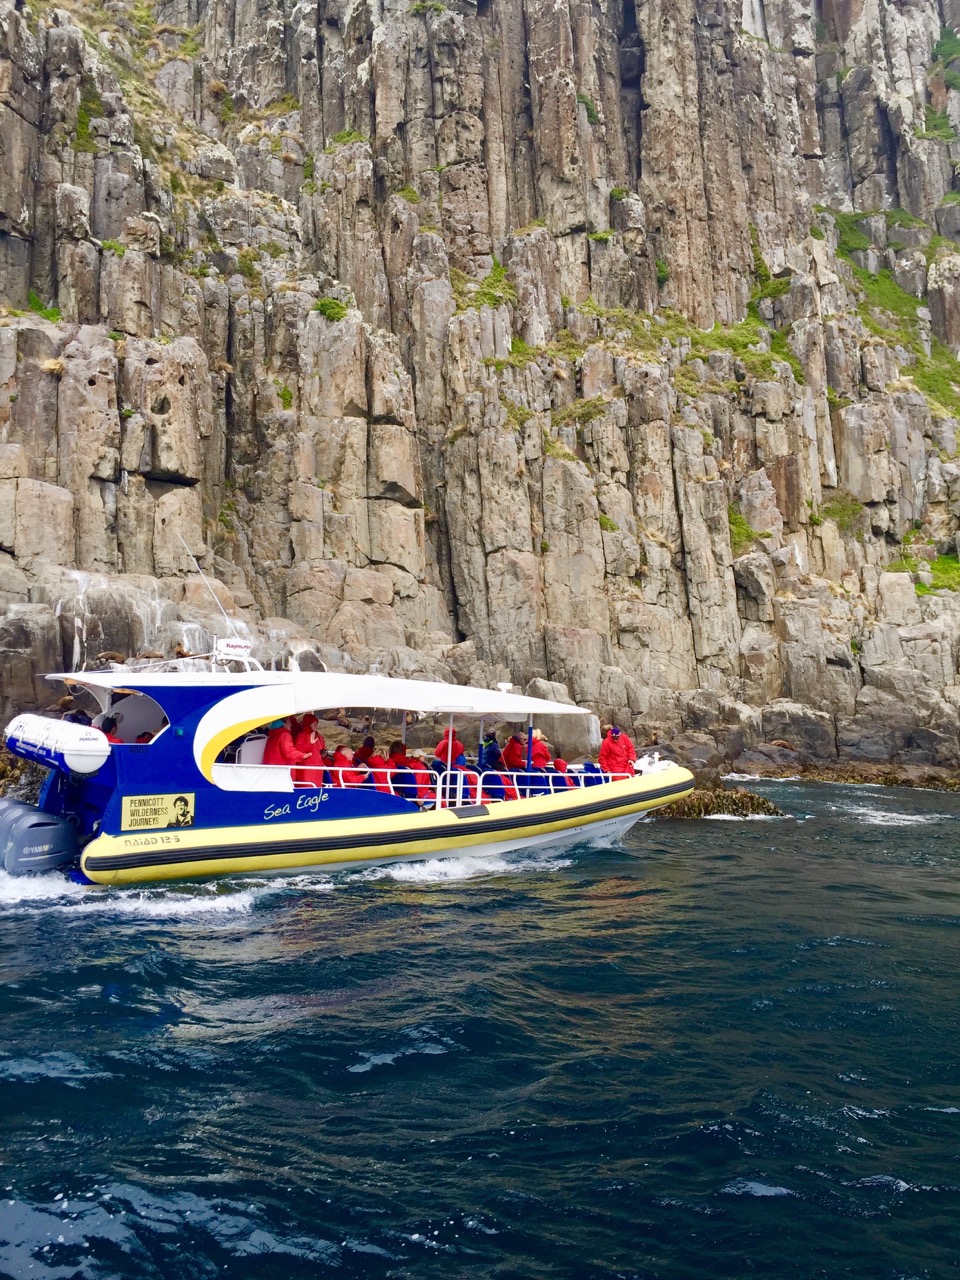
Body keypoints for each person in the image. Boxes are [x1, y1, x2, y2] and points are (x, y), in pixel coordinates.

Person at [294, 714, 327, 786]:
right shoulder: (301, 736)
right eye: (314, 724)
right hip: (306, 768)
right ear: (308, 724)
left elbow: (323, 748)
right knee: (307, 787)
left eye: (316, 724)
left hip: (318, 767)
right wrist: (310, 743)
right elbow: (299, 752)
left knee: (317, 788)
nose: (316, 726)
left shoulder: (319, 736)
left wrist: (324, 754)